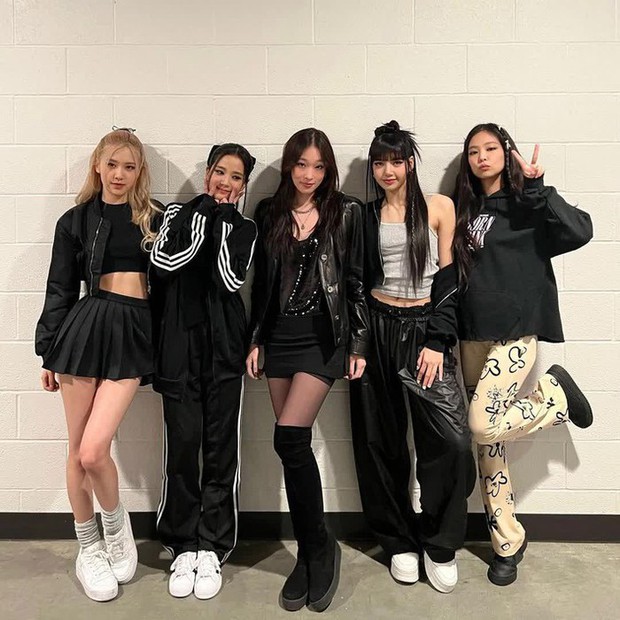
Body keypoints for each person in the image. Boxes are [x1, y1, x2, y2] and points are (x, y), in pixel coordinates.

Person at [453, 123, 594, 586]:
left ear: (507, 152)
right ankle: (507, 543)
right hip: (471, 335)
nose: (482, 157)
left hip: (514, 333)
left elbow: (580, 231)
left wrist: (537, 187)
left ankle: (554, 397)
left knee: (482, 424)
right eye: (474, 151)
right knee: (487, 445)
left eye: (491, 148)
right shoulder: (465, 210)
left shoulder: (527, 205)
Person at [348, 121, 475, 594]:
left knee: (451, 441)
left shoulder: (438, 207)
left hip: (425, 330)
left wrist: (438, 341)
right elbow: (357, 283)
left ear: (410, 164)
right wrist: (359, 345)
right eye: (379, 163)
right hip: (378, 328)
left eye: (396, 161)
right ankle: (398, 538)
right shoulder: (364, 215)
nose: (387, 171)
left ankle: (440, 542)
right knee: (379, 440)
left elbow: (449, 280)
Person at [246, 128, 369, 612]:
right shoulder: (270, 212)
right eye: (301, 164)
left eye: (318, 166)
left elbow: (356, 280)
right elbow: (261, 285)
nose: (309, 175)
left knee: (289, 439)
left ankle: (318, 547)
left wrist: (358, 342)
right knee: (291, 448)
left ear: (328, 169)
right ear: (289, 165)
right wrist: (256, 338)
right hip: (279, 337)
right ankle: (310, 549)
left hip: (323, 339)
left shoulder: (346, 212)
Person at [35, 128, 161, 602]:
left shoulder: (155, 218)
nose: (119, 174)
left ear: (139, 171)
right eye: (112, 164)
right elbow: (60, 288)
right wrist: (48, 351)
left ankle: (116, 525)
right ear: (97, 165)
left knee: (93, 451)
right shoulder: (75, 220)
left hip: (132, 334)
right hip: (85, 330)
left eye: (129, 166)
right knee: (77, 452)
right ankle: (89, 548)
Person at [150, 143, 257, 600]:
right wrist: (203, 218)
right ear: (207, 173)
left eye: (236, 177)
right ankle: (182, 545)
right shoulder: (176, 214)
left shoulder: (245, 228)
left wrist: (223, 221)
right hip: (179, 347)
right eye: (220, 172)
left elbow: (229, 278)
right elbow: (165, 263)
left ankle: (212, 546)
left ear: (244, 186)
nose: (225, 183)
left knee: (220, 450)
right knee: (182, 446)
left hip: (225, 349)